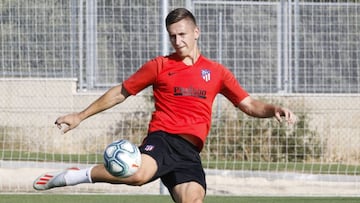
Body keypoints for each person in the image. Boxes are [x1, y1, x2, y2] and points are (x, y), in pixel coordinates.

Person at [33, 8, 296, 203]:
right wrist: (80, 115)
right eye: (172, 36)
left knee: (193, 200)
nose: (178, 41)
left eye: (182, 34)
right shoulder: (159, 66)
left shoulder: (217, 72)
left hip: (189, 152)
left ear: (196, 32)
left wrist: (273, 109)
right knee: (138, 176)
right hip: (162, 139)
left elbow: (248, 104)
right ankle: (78, 175)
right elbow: (120, 93)